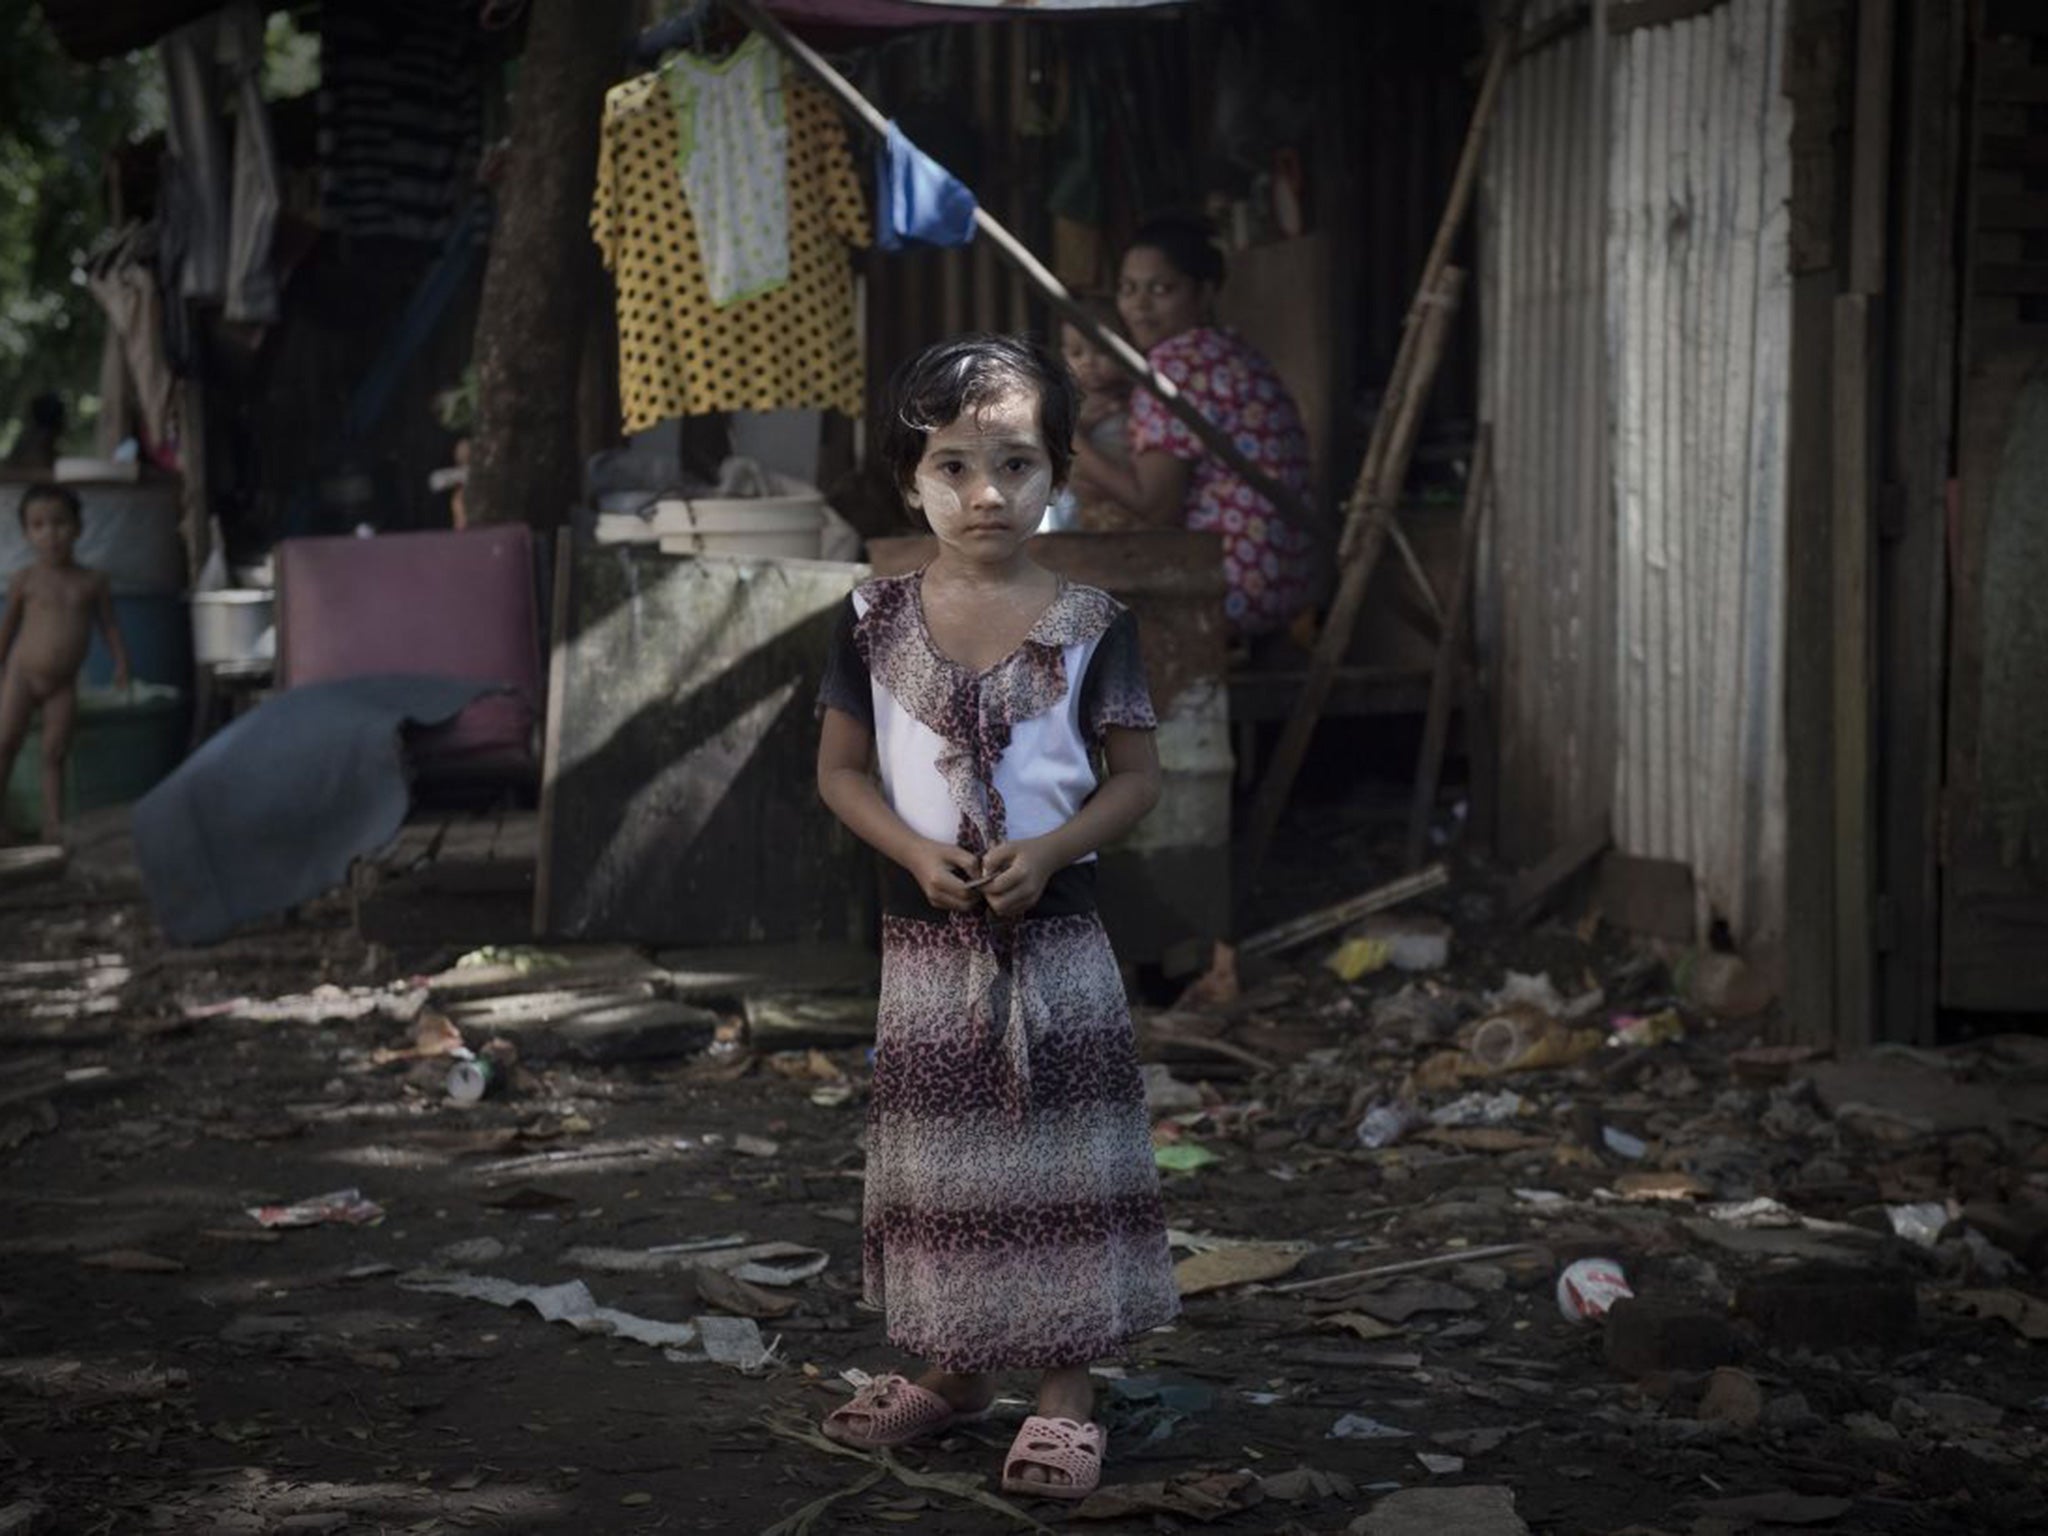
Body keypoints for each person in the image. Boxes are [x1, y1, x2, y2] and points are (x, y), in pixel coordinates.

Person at [812, 335, 1178, 1500]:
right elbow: (840, 775)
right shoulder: (869, 622)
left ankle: (1063, 1393)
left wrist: (1054, 847)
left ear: (1056, 473)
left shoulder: (1092, 621)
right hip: (926, 944)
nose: (985, 493)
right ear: (909, 482)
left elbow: (1134, 778)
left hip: (1057, 935)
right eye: (954, 466)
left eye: (1015, 464)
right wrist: (916, 852)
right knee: (946, 1163)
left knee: (1056, 1155)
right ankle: (955, 1371)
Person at [1069, 215, 1317, 638]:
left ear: (1204, 293)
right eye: (1129, 289)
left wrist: (1066, 439)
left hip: (1229, 581)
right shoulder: (1232, 351)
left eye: (1161, 290)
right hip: (1287, 578)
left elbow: (1154, 504)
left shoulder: (1175, 365)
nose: (1139, 306)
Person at [0, 484, 129, 843]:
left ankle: (52, 823)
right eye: (38, 525)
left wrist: (121, 662)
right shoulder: (25, 580)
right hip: (21, 675)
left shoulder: (91, 581)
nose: (50, 534)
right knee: (5, 743)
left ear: (78, 528)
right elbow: (8, 628)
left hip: (62, 682)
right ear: (27, 534)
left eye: (59, 523)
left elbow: (110, 626)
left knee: (55, 751)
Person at [1046, 300, 1139, 533]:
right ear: (1064, 356)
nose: (1088, 362)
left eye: (1101, 351)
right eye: (1077, 353)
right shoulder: (1067, 400)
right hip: (1077, 503)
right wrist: (1085, 423)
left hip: (1124, 503)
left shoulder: (1140, 398)